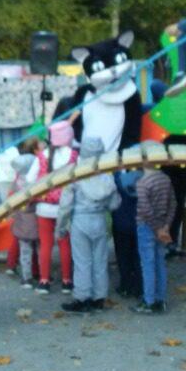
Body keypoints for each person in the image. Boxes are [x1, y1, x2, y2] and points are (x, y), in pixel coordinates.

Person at [57, 134, 119, 312]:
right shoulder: (106, 173)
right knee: (100, 260)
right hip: (99, 220)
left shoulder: (75, 173)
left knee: (82, 261)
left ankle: (82, 298)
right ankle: (99, 298)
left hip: (80, 220)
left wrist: (60, 227)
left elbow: (65, 205)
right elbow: (114, 203)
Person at [133, 150, 177, 314]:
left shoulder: (142, 183)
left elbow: (145, 209)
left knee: (147, 264)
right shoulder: (165, 179)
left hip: (146, 227)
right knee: (160, 262)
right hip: (162, 227)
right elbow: (173, 203)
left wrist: (157, 227)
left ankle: (148, 300)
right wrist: (166, 226)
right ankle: (161, 299)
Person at [35, 121, 77, 295]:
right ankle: (67, 281)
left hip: (43, 207)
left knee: (45, 244)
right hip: (64, 208)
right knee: (65, 243)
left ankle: (44, 280)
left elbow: (31, 178)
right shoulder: (74, 155)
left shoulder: (42, 155)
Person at [8, 151, 40, 288]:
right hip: (36, 222)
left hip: (21, 223)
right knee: (39, 250)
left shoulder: (16, 184)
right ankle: (40, 274)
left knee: (25, 252)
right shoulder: (36, 182)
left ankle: (26, 278)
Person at [111, 168, 143, 300]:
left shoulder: (117, 178)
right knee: (138, 256)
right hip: (140, 221)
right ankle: (139, 287)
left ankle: (125, 285)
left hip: (120, 221)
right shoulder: (143, 176)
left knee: (123, 256)